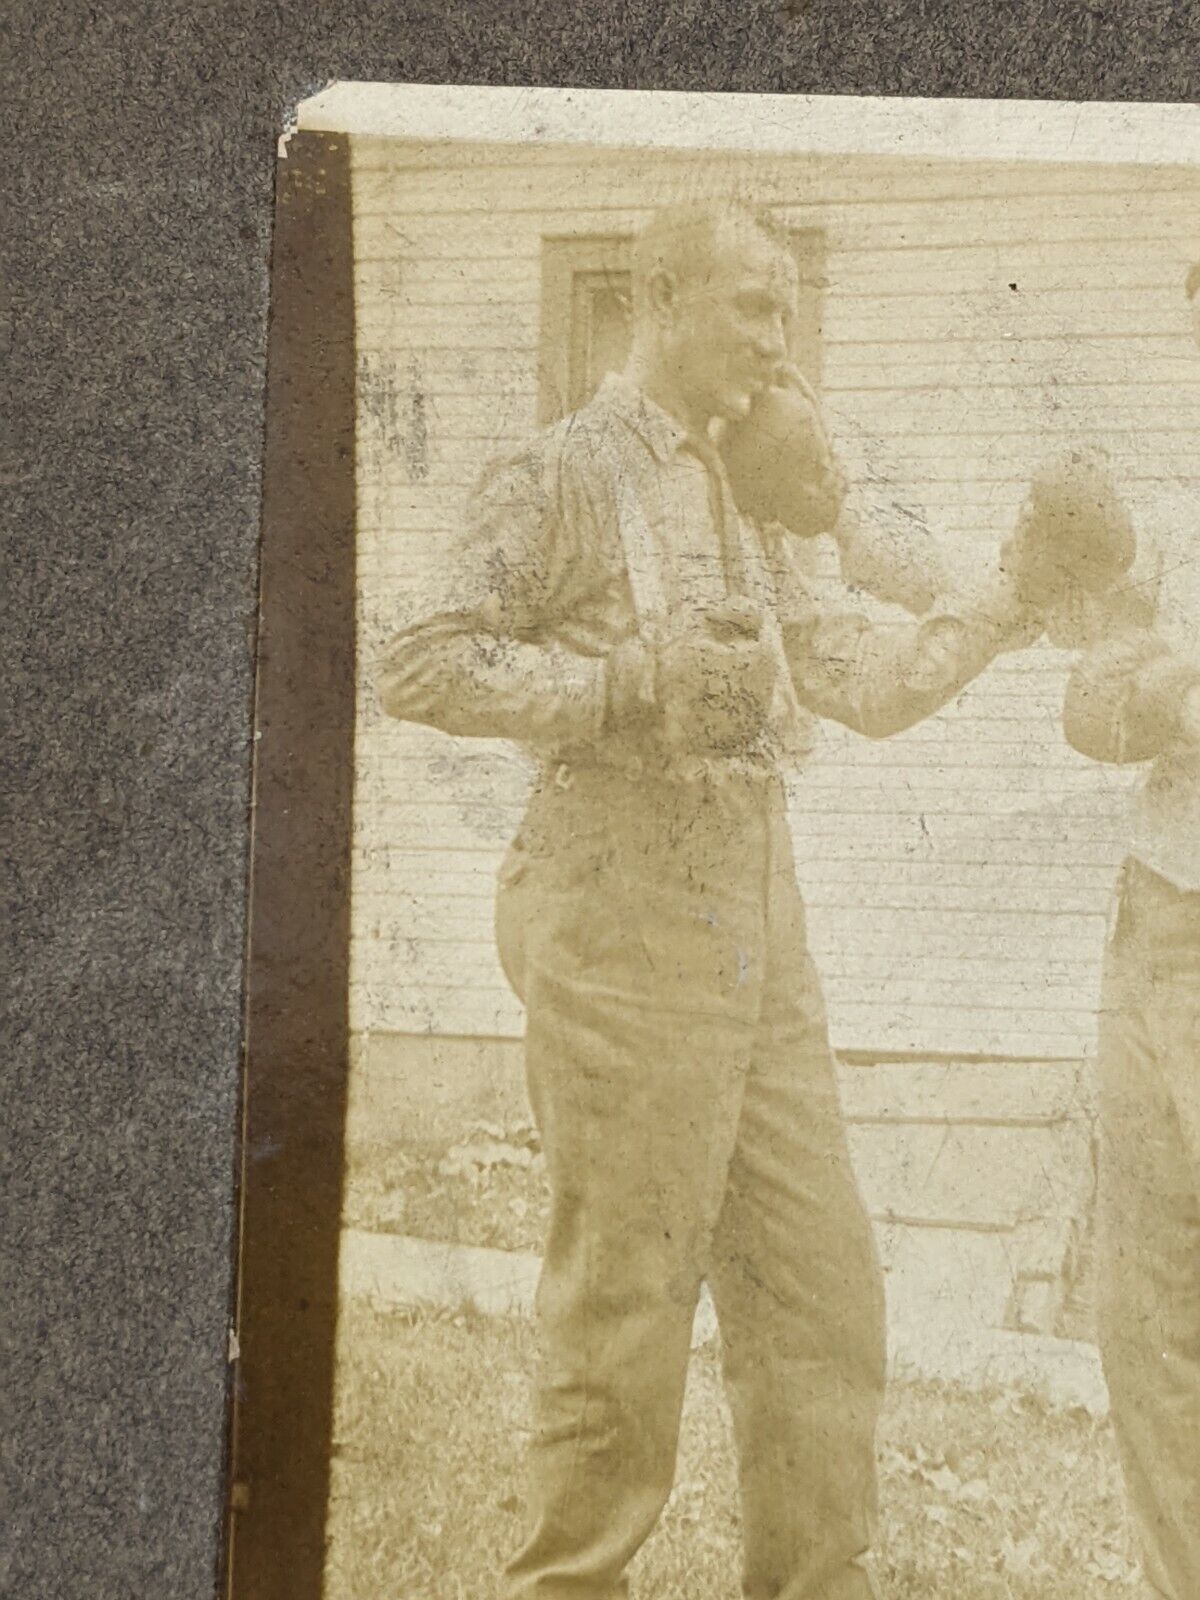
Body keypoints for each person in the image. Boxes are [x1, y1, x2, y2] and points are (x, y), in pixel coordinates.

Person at [379, 203, 1096, 1600]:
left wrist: (1012, 591)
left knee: (825, 1304)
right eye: (754, 308)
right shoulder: (567, 472)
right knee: (623, 1326)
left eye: (789, 310)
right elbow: (420, 658)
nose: (781, 339)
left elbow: (869, 686)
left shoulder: (756, 491)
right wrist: (616, 686)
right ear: (660, 298)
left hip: (758, 918)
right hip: (614, 899)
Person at [1061, 261, 1200, 1600]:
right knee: (1144, 1319)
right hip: (1159, 922)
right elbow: (1090, 705)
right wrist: (1159, 693)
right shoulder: (1175, 508)